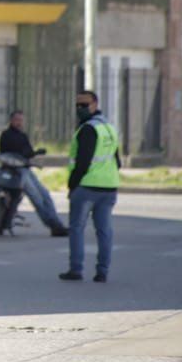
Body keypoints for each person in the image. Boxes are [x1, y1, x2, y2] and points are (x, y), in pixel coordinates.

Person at [60, 91, 120, 283]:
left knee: (77, 228)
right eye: (77, 105)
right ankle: (103, 272)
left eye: (84, 105)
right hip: (109, 187)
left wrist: (72, 185)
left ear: (95, 104)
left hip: (87, 187)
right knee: (104, 231)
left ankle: (76, 270)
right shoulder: (109, 128)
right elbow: (117, 161)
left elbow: (82, 162)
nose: (80, 109)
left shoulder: (88, 129)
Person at [0, 110, 69, 236]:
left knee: (45, 195)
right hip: (15, 171)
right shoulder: (6, 135)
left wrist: (36, 152)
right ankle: (53, 225)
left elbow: (29, 153)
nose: (19, 122)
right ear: (11, 120)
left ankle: (57, 223)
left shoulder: (23, 136)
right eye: (17, 120)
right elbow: (7, 153)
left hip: (26, 169)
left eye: (21, 120)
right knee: (37, 198)